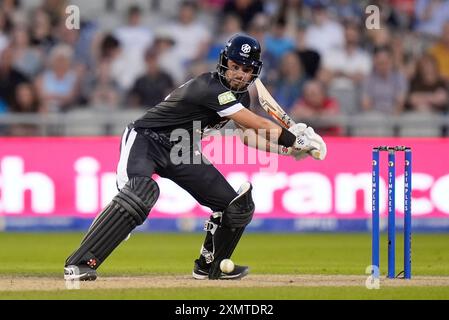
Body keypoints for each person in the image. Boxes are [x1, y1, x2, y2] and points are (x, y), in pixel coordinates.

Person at [63, 34, 327, 281]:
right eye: (235, 66)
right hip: (146, 139)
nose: (239, 74)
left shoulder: (241, 98)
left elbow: (248, 136)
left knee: (235, 207)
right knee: (140, 194)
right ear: (224, 63)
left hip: (183, 150)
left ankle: (211, 266)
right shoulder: (209, 86)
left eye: (246, 70)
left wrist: (287, 149)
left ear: (254, 71)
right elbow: (257, 123)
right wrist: (296, 138)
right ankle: (80, 263)